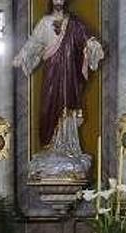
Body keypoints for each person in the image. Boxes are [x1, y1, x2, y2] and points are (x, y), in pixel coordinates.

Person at [13, 0, 105, 148]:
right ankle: (51, 145)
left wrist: (94, 46)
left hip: (69, 74)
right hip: (52, 73)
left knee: (68, 105)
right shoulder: (44, 22)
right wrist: (22, 57)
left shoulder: (74, 23)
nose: (58, 1)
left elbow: (86, 38)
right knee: (48, 105)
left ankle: (68, 145)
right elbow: (33, 43)